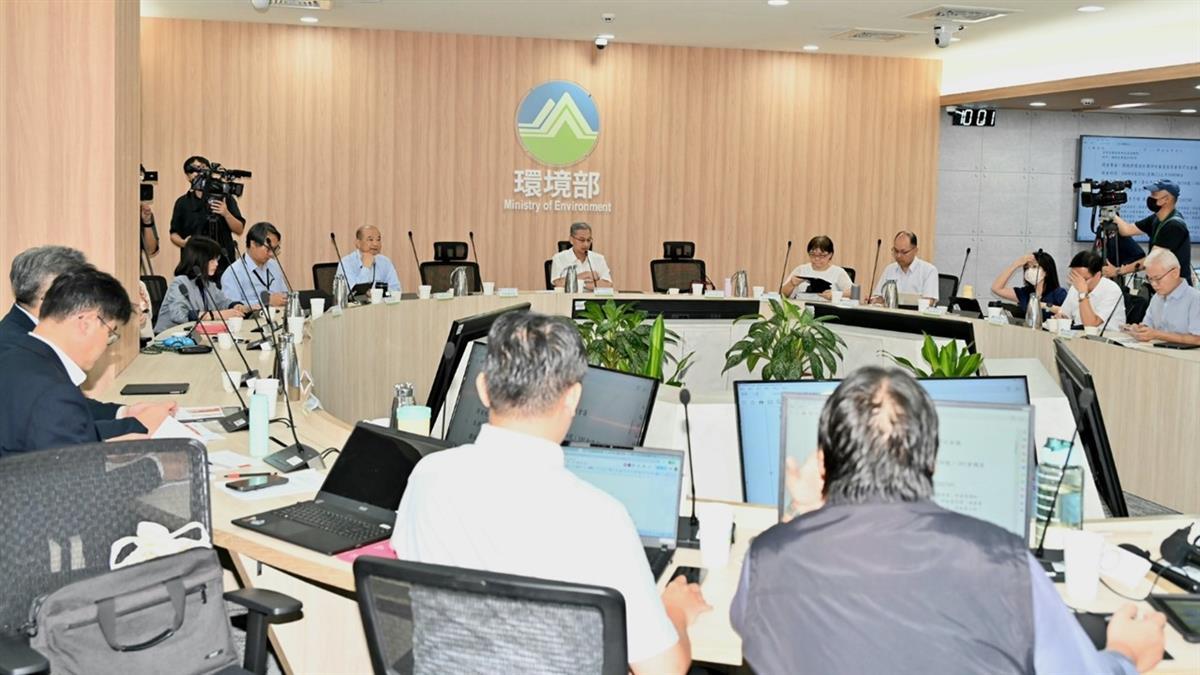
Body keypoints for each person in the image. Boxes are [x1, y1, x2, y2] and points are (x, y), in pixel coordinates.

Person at [731, 367, 1166, 675]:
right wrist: (1125, 655)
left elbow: (749, 622)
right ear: (933, 461)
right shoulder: (1003, 562)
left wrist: (806, 514)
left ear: (825, 464)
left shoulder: (767, 557)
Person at [392, 311, 708, 674]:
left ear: (482, 387)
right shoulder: (599, 517)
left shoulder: (428, 476)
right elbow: (663, 669)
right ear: (573, 397)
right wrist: (676, 608)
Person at [0, 268, 176, 456]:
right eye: (109, 332)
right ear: (86, 323)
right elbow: (75, 472)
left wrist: (127, 418)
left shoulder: (14, 358)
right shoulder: (54, 390)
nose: (106, 344)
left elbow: (65, 433)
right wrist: (144, 436)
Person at [169, 155, 246, 280]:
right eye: (195, 170)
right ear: (188, 176)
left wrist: (226, 213)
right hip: (194, 264)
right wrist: (184, 243)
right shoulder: (182, 202)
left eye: (203, 169)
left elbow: (239, 229)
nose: (200, 173)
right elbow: (174, 234)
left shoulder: (225, 198)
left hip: (223, 264)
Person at [156, 236, 251, 333]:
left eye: (217, 259)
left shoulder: (208, 284)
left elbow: (223, 302)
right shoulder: (179, 283)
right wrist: (215, 315)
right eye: (212, 260)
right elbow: (178, 315)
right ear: (199, 260)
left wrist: (236, 306)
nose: (217, 264)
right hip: (168, 337)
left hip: (195, 336)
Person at [1108, 180, 1191, 285]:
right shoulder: (1157, 218)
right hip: (1161, 283)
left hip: (1176, 287)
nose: (1150, 198)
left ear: (1166, 199)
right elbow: (1127, 230)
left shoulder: (1174, 226)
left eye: (1154, 194)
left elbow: (1152, 260)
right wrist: (1110, 211)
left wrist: (1118, 271)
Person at [1125, 249, 1200, 346]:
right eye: (1150, 279)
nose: (1153, 284)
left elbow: (1197, 339)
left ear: (1175, 273)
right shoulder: (1156, 298)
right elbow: (1148, 325)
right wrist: (1139, 330)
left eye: (1157, 279)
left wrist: (1157, 335)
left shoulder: (1195, 299)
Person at [220, 222, 289, 307]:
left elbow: (284, 295)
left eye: (275, 249)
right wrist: (266, 302)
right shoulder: (232, 273)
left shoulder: (273, 265)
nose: (271, 254)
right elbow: (232, 307)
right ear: (253, 244)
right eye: (268, 249)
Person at [1057, 249, 1126, 329]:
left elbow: (1091, 324)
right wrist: (1061, 318)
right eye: (1075, 278)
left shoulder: (1112, 290)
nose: (1079, 283)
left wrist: (1082, 293)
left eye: (1084, 279)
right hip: (1078, 333)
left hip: (1105, 335)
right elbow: (1065, 314)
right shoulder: (1075, 287)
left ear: (1098, 275)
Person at [989, 251, 1068, 316]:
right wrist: (1015, 265)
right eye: (1027, 268)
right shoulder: (1025, 293)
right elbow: (996, 288)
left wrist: (1044, 306)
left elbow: (1068, 314)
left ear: (1046, 271)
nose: (1029, 270)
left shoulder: (1058, 293)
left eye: (1034, 267)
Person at [871, 231, 939, 303]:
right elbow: (879, 296)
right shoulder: (890, 269)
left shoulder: (929, 271)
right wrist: (874, 300)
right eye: (896, 251)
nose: (899, 256)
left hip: (914, 310)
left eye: (904, 252)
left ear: (915, 251)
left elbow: (929, 301)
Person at [781, 236, 854, 300]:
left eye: (821, 255)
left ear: (830, 254)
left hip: (827, 309)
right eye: (812, 254)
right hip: (801, 308)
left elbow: (853, 293)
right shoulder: (801, 270)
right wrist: (791, 284)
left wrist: (835, 295)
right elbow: (782, 294)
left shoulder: (838, 272)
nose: (816, 258)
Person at [550, 222, 613, 290]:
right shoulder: (559, 258)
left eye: (588, 240)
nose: (586, 244)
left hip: (591, 297)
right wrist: (586, 274)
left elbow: (608, 284)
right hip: (569, 297)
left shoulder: (599, 259)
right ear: (571, 239)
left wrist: (582, 284)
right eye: (582, 240)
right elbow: (558, 283)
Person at [338, 225, 402, 292]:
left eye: (378, 240)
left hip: (380, 299)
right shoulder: (346, 263)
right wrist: (366, 268)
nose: (375, 244)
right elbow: (352, 293)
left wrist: (376, 293)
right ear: (358, 243)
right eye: (370, 240)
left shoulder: (385, 262)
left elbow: (396, 289)